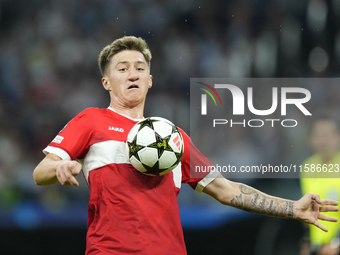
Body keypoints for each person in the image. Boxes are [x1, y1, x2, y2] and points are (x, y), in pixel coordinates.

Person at [33, 36, 338, 255]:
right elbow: (40, 172)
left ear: (150, 79)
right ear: (106, 82)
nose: (132, 73)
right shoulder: (91, 121)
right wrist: (60, 166)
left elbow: (225, 189)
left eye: (139, 67)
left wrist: (291, 208)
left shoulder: (173, 138)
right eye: (122, 68)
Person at [300, 117, 340, 255]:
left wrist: (336, 242)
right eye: (319, 135)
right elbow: (306, 211)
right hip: (316, 246)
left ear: (337, 137)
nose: (324, 141)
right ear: (311, 139)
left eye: (328, 135)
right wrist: (306, 242)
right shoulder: (307, 167)